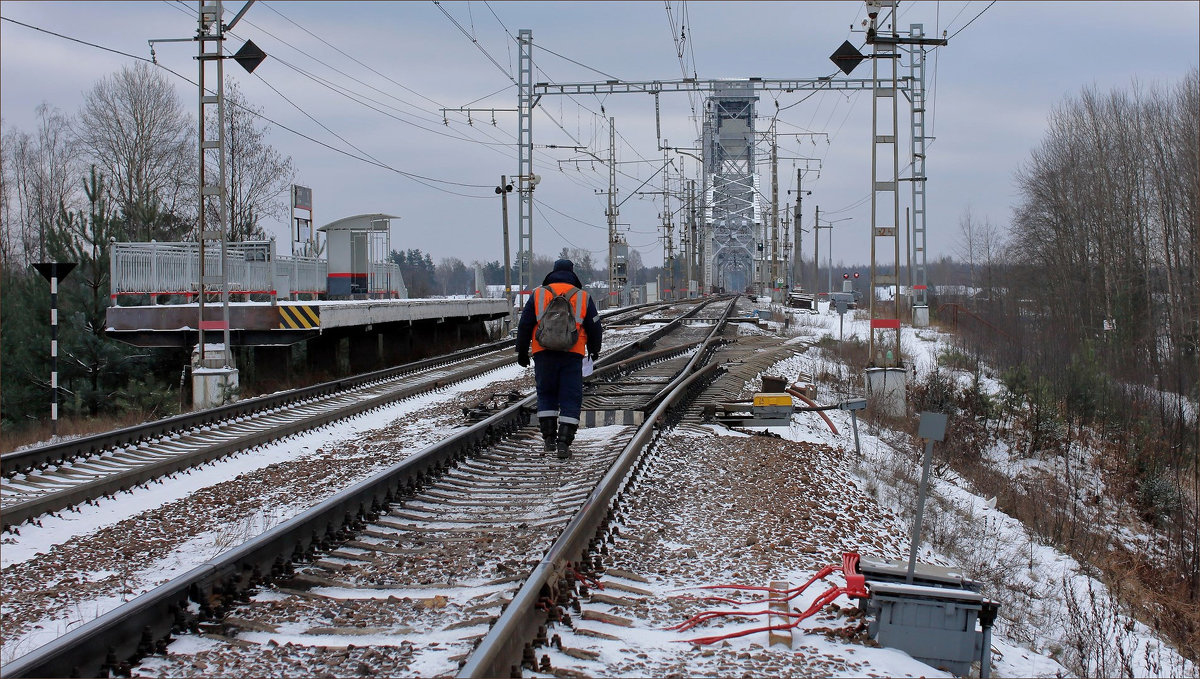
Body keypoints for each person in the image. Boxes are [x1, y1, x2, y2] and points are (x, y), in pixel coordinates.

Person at [515, 259, 602, 459]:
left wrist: (521, 351)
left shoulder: (538, 294)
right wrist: (594, 350)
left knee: (546, 393)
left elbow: (525, 324)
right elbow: (595, 326)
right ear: (572, 274)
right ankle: (564, 443)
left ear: (552, 273)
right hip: (573, 353)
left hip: (542, 352)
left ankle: (548, 441)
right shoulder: (582, 296)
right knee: (571, 397)